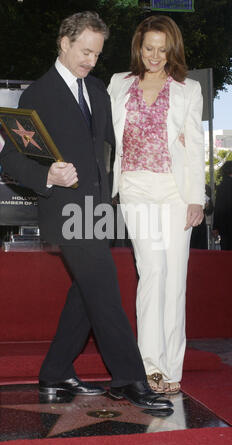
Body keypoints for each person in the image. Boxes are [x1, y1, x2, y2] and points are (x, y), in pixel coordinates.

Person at [0, 11, 173, 411]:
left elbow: (108, 152)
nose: (91, 61)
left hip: (98, 210)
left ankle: (56, 370)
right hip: (64, 211)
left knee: (87, 293)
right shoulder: (37, 95)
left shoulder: (97, 90)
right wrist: (49, 175)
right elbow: (11, 162)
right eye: (85, 51)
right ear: (64, 42)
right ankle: (130, 378)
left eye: (97, 53)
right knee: (106, 290)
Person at [108, 15, 205, 394]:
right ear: (139, 46)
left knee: (174, 277)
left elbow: (194, 144)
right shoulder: (119, 84)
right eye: (149, 47)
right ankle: (149, 367)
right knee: (151, 272)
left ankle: (171, 369)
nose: (154, 55)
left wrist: (197, 198)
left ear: (172, 51)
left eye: (162, 50)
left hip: (174, 191)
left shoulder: (188, 89)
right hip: (134, 188)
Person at [213, 161, 232, 250]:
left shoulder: (222, 187)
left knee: (226, 253)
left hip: (225, 227)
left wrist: (215, 226)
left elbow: (218, 208)